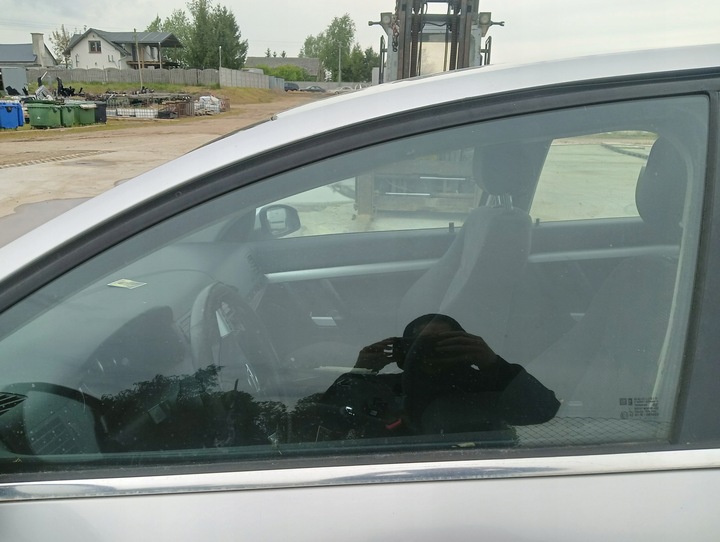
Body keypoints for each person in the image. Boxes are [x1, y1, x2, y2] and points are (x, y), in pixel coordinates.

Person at [320, 314, 560, 437]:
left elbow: (543, 411)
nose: (432, 350)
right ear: (404, 352)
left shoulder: (490, 385)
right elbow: (328, 420)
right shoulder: (381, 388)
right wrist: (361, 372)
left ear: (467, 346)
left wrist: (494, 364)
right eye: (421, 344)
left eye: (445, 342)